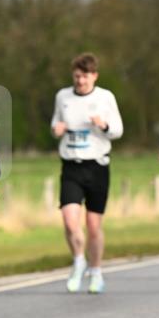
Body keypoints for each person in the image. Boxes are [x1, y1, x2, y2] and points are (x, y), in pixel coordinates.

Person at [51, 53, 123, 294]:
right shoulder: (63, 96)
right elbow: (55, 124)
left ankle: (96, 270)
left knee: (93, 226)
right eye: (77, 76)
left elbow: (118, 130)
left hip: (97, 166)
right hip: (71, 165)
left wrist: (103, 125)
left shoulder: (105, 97)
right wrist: (56, 129)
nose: (81, 81)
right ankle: (78, 260)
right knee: (70, 222)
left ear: (95, 76)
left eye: (86, 77)